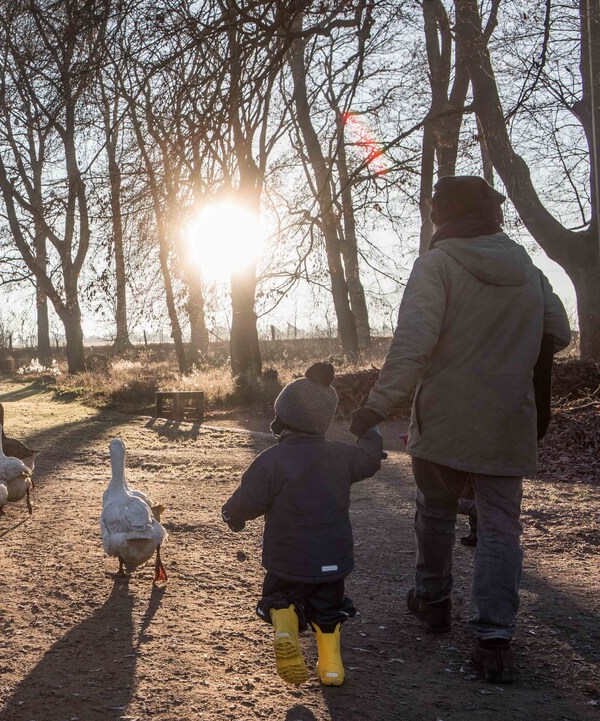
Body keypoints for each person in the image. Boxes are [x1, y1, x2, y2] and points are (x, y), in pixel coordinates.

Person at [350, 175, 571, 683]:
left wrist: (376, 406)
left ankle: (433, 600)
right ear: (491, 215)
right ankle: (495, 637)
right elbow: (557, 330)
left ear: (443, 217)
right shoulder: (525, 267)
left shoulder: (438, 265)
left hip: (446, 419)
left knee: (436, 512)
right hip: (509, 419)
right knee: (499, 527)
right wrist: (511, 356)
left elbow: (413, 346)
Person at [222, 363, 384, 687]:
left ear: (284, 419)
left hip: (287, 559)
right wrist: (370, 431)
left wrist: (233, 516)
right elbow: (368, 458)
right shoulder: (341, 456)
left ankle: (284, 621)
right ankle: (332, 667)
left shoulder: (271, 460)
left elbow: (249, 499)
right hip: (333, 559)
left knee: (278, 597)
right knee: (329, 611)